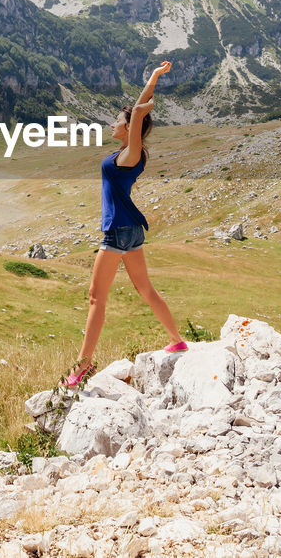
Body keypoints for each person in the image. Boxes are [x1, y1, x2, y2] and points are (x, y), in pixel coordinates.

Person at [64, 60, 185, 388]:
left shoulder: (132, 153)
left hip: (118, 230)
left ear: (129, 127)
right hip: (130, 229)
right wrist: (155, 78)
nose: (114, 124)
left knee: (95, 297)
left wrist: (141, 113)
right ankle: (177, 340)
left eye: (119, 121)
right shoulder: (129, 152)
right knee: (145, 289)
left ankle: (81, 367)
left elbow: (135, 122)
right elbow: (136, 115)